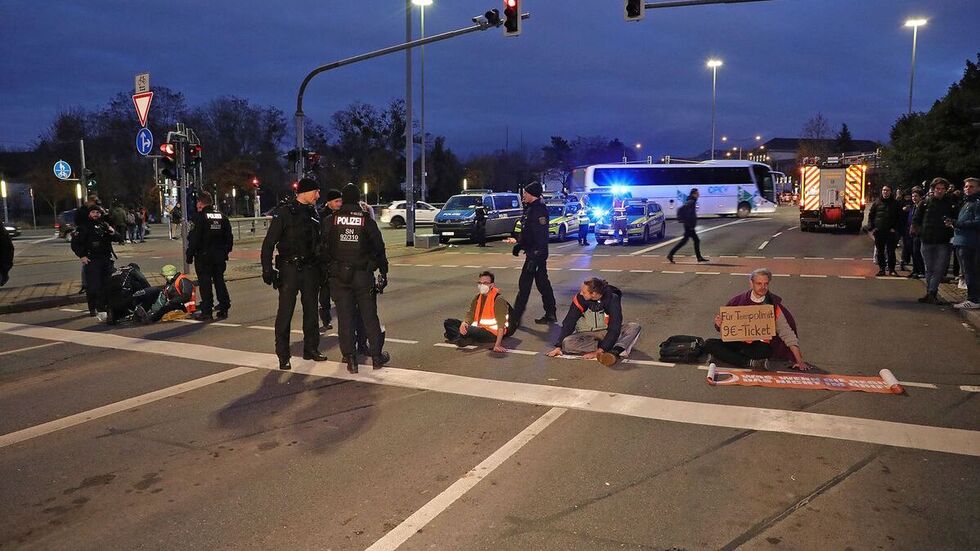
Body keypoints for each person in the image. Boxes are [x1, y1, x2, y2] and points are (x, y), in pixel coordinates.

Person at [261, 177, 328, 370]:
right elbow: (269, 243)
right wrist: (267, 269)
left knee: (311, 312)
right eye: (316, 191)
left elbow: (319, 244)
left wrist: (323, 268)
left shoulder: (313, 212)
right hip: (289, 268)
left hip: (310, 268)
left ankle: (311, 349)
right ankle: (283, 355)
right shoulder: (284, 212)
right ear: (306, 192)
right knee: (285, 313)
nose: (318, 195)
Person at [323, 183, 390, 374]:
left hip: (339, 277)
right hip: (363, 275)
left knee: (345, 319)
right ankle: (377, 357)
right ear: (358, 198)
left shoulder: (331, 221)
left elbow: (322, 248)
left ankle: (351, 359)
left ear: (344, 199)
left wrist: (331, 267)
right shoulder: (366, 221)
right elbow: (379, 248)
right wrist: (383, 271)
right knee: (370, 317)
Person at [703, 268, 808, 370]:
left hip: (757, 347)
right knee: (709, 343)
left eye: (766, 284)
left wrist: (799, 361)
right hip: (738, 342)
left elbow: (787, 333)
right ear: (751, 283)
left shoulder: (773, 305)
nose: (763, 287)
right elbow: (724, 328)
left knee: (764, 351)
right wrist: (719, 324)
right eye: (759, 283)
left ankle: (731, 358)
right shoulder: (738, 300)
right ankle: (749, 362)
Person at [545, 277, 642, 367]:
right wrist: (558, 346)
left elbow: (614, 328)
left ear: (594, 293)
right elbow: (569, 323)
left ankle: (614, 352)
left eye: (584, 292)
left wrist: (597, 352)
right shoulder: (579, 299)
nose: (581, 293)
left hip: (606, 332)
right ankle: (612, 348)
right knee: (566, 343)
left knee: (634, 327)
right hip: (586, 335)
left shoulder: (612, 299)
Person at [507, 182, 557, 326]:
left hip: (536, 255)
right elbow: (529, 233)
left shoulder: (538, 211)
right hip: (534, 254)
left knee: (525, 285)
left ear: (532, 194)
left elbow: (541, 237)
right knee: (542, 284)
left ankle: (515, 318)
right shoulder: (531, 209)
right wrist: (520, 245)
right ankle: (550, 313)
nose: (524, 195)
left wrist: (535, 257)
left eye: (525, 193)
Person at [186, 191, 234, 320]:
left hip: (204, 256)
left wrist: (189, 255)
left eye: (197, 202)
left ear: (201, 203)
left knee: (205, 283)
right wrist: (225, 252)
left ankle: (207, 311)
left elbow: (194, 239)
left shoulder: (199, 218)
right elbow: (229, 238)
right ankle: (224, 307)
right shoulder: (222, 217)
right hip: (219, 256)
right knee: (219, 281)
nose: (196, 205)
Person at [912, 178, 959, 304]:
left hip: (943, 241)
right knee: (929, 268)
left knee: (939, 268)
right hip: (927, 240)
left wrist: (951, 225)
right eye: (938, 188)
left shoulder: (950, 203)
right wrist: (920, 232)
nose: (940, 191)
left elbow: (956, 218)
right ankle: (931, 293)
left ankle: (931, 292)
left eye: (942, 189)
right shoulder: (925, 203)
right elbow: (916, 219)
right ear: (933, 189)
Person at [71, 207, 124, 316]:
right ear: (89, 213)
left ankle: (103, 306)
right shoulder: (84, 227)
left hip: (105, 259)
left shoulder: (104, 225)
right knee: (93, 286)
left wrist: (112, 232)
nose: (96, 214)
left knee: (107, 284)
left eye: (98, 212)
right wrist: (82, 256)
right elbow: (75, 244)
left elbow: (119, 238)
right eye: (93, 212)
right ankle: (92, 308)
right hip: (92, 260)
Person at [443, 271, 514, 352]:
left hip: (492, 333)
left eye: (485, 283)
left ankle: (460, 338)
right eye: (480, 283)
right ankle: (463, 337)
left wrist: (497, 345)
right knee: (449, 322)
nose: (482, 285)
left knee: (466, 330)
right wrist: (465, 322)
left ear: (492, 285)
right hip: (479, 327)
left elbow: (501, 325)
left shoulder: (498, 299)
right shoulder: (477, 297)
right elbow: (471, 313)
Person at [949, 177, 980, 309]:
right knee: (967, 271)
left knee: (970, 271)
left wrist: (958, 223)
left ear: (978, 188)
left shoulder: (977, 203)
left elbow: (978, 222)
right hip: (961, 241)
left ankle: (973, 299)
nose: (968, 189)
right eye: (966, 186)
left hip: (970, 242)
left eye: (971, 186)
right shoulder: (966, 202)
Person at [318, 188, 343, 332]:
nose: (339, 204)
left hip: (338, 258)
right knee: (325, 290)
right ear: (329, 202)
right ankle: (326, 318)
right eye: (336, 201)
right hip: (325, 260)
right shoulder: (322, 216)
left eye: (340, 201)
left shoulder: (341, 215)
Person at [866, 185, 903, 276]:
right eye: (884, 190)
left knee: (891, 251)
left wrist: (895, 228)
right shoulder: (877, 203)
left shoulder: (895, 203)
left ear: (891, 192)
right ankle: (882, 269)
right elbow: (871, 215)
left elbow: (899, 217)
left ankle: (891, 269)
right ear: (881, 191)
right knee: (880, 251)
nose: (885, 192)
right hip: (879, 231)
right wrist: (872, 227)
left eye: (887, 190)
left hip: (890, 232)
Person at [667, 188, 709, 263]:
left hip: (689, 225)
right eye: (697, 193)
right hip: (689, 226)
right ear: (693, 194)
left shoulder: (692, 201)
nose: (698, 194)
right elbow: (680, 209)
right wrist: (684, 221)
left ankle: (698, 257)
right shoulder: (691, 202)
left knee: (689, 241)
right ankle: (671, 254)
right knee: (690, 241)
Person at [904, 188, 925, 278]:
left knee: (917, 252)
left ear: (920, 197)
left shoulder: (922, 207)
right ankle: (915, 270)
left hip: (919, 233)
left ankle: (921, 271)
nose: (914, 198)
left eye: (916, 196)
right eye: (913, 196)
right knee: (913, 252)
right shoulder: (913, 207)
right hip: (912, 232)